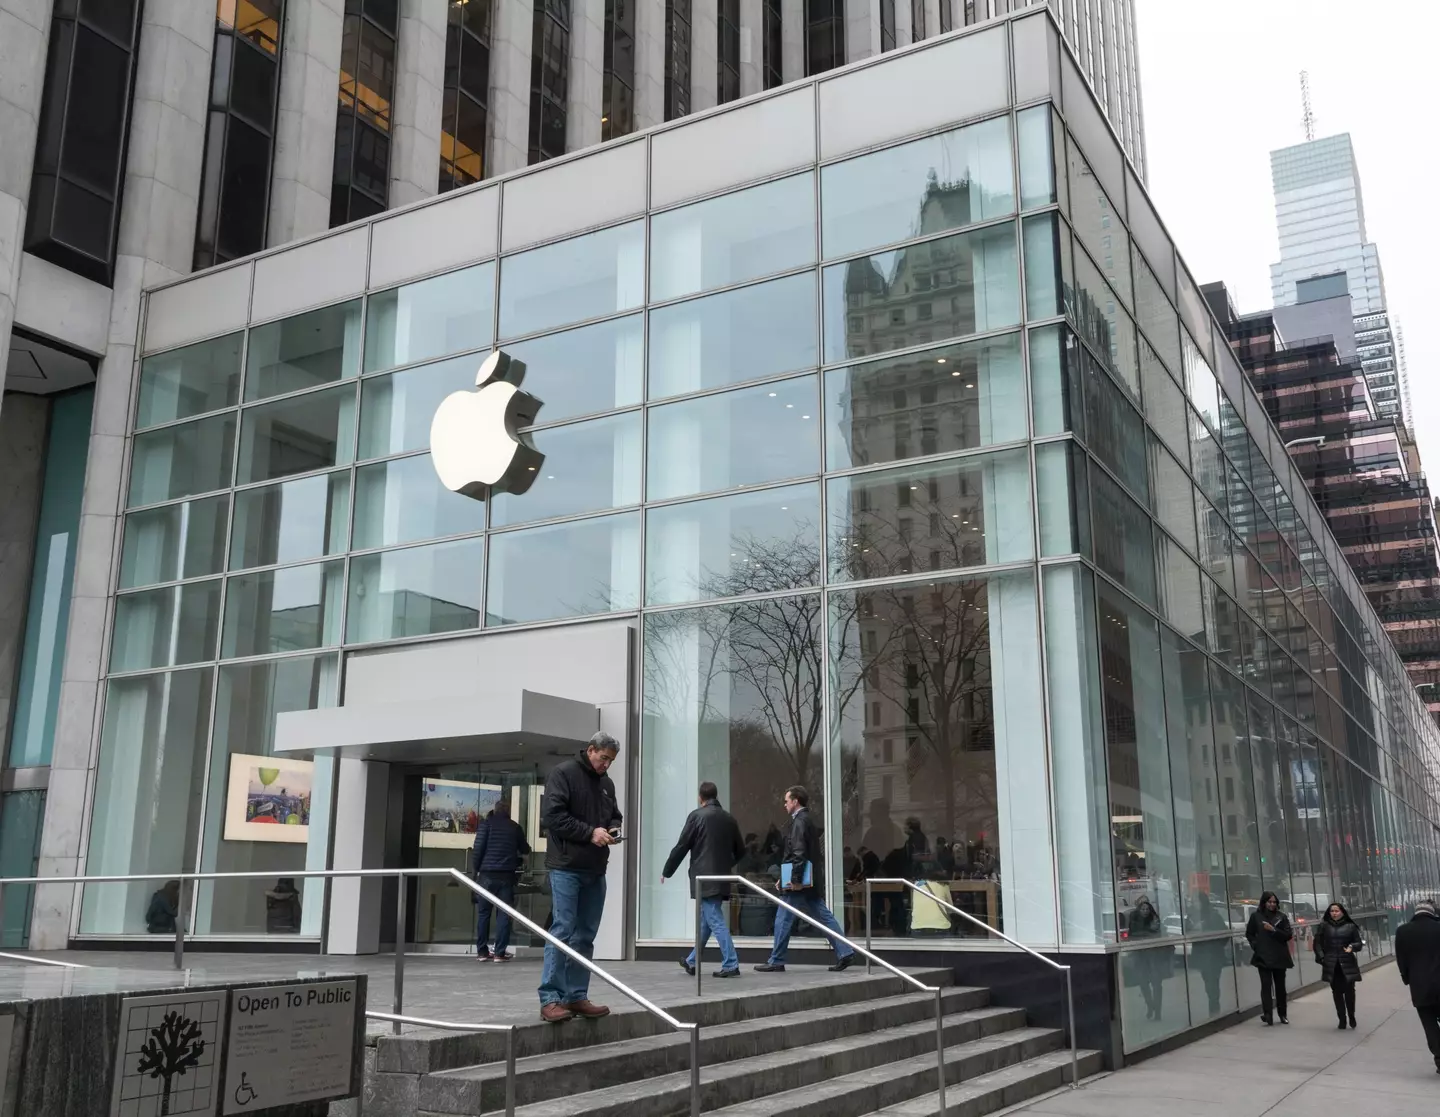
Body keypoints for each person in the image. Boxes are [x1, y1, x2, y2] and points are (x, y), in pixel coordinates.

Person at [537, 732, 622, 1023]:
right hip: (565, 867)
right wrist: (590, 832)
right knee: (562, 930)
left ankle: (576, 996)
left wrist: (613, 828)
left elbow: (615, 816)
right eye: (603, 758)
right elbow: (552, 817)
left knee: (585, 935)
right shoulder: (563, 774)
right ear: (590, 750)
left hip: (596, 869)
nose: (606, 765)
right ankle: (550, 999)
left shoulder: (606, 784)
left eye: (611, 761)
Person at [755, 786, 856, 973]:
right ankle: (845, 951)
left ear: (795, 801)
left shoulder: (799, 822)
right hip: (807, 880)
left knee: (783, 919)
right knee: (823, 916)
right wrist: (787, 878)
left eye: (786, 801)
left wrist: (793, 880)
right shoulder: (805, 821)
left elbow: (798, 853)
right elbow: (800, 854)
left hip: (799, 883)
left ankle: (776, 960)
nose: (784, 805)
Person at [662, 781, 746, 979]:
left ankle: (731, 963)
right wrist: (726, 864)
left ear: (701, 797)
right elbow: (741, 851)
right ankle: (692, 961)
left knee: (714, 919)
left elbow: (682, 846)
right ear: (716, 796)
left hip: (704, 878)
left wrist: (667, 870)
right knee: (707, 921)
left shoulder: (696, 816)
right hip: (720, 876)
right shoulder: (729, 819)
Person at [473, 799, 531, 961]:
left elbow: (478, 850)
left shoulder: (486, 825)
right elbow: (525, 849)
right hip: (506, 875)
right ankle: (499, 953)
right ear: (508, 811)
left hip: (486, 875)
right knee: (504, 914)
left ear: (495, 809)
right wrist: (518, 860)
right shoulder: (514, 827)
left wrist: (476, 871)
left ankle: (482, 952)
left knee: (484, 914)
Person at [1395, 898, 1440, 1073]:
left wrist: (1407, 978)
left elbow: (1402, 960)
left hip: (1420, 985)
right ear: (1432, 912)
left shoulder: (1403, 931)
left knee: (1429, 1024)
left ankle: (1439, 1057)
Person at [1245, 891, 1294, 1025]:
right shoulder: (1256, 917)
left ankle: (1282, 1014)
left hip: (1279, 956)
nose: (1272, 904)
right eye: (1269, 902)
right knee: (1266, 986)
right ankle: (1267, 1014)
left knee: (1280, 987)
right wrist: (1256, 945)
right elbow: (1249, 933)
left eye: (1274, 902)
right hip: (1263, 956)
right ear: (1264, 902)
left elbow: (1288, 935)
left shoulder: (1281, 917)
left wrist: (1273, 930)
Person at [1314, 900, 1364, 1029]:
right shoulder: (1324, 926)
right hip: (1332, 964)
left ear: (1342, 912)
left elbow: (1358, 943)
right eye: (1332, 911)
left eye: (1336, 911)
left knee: (1349, 992)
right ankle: (1342, 1019)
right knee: (1336, 992)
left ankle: (1351, 1015)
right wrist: (1322, 958)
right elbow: (1317, 944)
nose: (1334, 913)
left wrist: (1352, 947)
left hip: (1347, 962)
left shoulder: (1350, 926)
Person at [1126, 896, 1167, 1021]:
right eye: (1143, 908)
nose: (1145, 911)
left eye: (1147, 908)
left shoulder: (1154, 919)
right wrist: (1150, 930)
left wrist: (1154, 929)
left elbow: (1160, 933)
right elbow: (1135, 933)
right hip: (1141, 957)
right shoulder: (1134, 919)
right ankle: (1150, 1005)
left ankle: (1158, 1011)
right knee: (1143, 983)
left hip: (1154, 957)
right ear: (1139, 909)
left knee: (1157, 984)